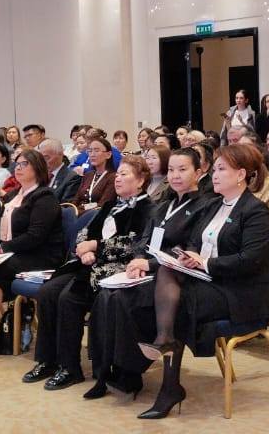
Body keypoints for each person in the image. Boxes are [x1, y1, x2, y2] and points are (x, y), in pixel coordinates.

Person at [132, 143, 269, 419]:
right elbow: (196, 243)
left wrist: (206, 263)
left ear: (241, 175)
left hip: (240, 290)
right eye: (215, 169)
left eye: (221, 169)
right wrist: (188, 257)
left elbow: (251, 260)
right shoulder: (215, 206)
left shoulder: (255, 210)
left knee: (178, 305)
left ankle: (169, 381)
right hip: (209, 279)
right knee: (160, 278)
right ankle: (162, 361)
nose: (214, 175)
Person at [83, 147, 208, 400]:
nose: (175, 175)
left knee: (122, 299)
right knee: (105, 295)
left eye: (182, 169)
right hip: (151, 268)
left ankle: (130, 371)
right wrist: (139, 259)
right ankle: (104, 370)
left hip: (176, 275)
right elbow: (144, 239)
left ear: (199, 172)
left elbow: (191, 248)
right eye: (171, 170)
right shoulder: (164, 206)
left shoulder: (204, 206)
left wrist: (148, 264)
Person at [26, 155, 156, 390]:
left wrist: (96, 247)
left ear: (140, 180)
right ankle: (48, 360)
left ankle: (70, 368)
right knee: (47, 292)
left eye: (125, 174)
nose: (118, 178)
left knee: (69, 298)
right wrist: (83, 249)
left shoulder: (148, 209)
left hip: (116, 269)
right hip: (88, 263)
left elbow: (135, 244)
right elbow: (84, 232)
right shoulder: (110, 204)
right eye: (118, 174)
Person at [0, 149, 64, 362]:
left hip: (40, 255)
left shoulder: (45, 196)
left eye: (25, 164)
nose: (18, 168)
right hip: (14, 252)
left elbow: (35, 237)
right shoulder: (13, 196)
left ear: (38, 168)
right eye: (17, 164)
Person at [72, 137, 117, 211]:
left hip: (94, 215)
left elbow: (102, 205)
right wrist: (71, 210)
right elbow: (76, 199)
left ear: (108, 155)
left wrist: (79, 210)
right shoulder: (88, 175)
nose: (92, 154)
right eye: (90, 151)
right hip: (77, 213)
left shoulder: (113, 177)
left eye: (96, 151)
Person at [39, 138, 81, 203]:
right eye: (41, 158)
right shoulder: (39, 176)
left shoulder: (72, 178)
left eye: (46, 157)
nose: (43, 162)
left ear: (60, 154)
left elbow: (66, 205)